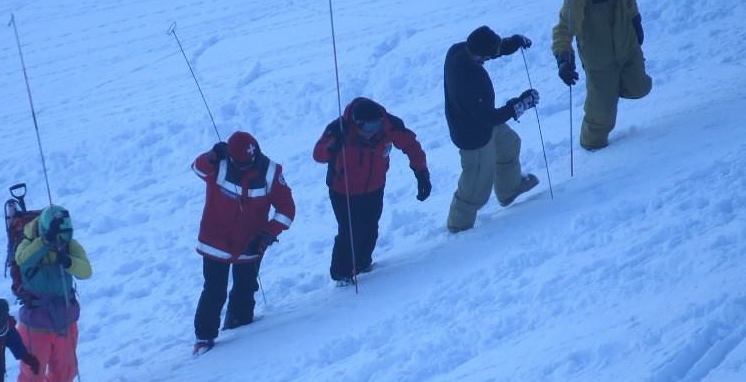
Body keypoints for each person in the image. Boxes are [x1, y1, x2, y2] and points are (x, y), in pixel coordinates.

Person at [192, 130, 296, 354]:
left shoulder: (271, 172)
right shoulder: (218, 163)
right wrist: (211, 154)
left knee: (246, 286)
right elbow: (197, 167)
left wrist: (266, 236)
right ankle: (204, 337)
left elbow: (287, 210)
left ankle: (240, 325)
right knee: (214, 290)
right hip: (215, 243)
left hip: (251, 243)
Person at [313, 97, 431, 284]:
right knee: (350, 232)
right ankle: (341, 274)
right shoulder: (339, 129)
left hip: (375, 187)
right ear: (357, 123)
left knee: (370, 227)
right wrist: (333, 144)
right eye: (368, 128)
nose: (373, 132)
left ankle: (362, 264)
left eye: (376, 126)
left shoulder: (389, 125)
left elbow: (411, 145)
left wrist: (421, 172)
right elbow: (318, 154)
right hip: (343, 191)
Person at [551, 0, 653, 151]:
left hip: (627, 47)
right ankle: (592, 147)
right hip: (599, 58)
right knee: (601, 115)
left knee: (640, 87)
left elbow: (631, 1)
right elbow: (564, 28)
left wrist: (636, 21)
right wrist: (563, 58)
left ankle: (611, 90)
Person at [444, 25, 541, 233]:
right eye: (485, 58)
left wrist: (512, 43)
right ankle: (458, 225)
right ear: (479, 55)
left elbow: (492, 50)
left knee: (509, 144)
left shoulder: (459, 49)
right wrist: (520, 104)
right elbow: (488, 117)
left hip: (484, 124)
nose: (487, 61)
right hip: (473, 135)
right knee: (477, 184)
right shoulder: (467, 78)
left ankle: (509, 191)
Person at [11, 205, 92, 382]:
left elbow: (86, 271)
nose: (61, 243)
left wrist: (68, 261)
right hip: (36, 326)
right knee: (32, 378)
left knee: (65, 371)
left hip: (65, 320)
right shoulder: (28, 242)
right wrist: (44, 242)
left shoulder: (69, 244)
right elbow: (23, 259)